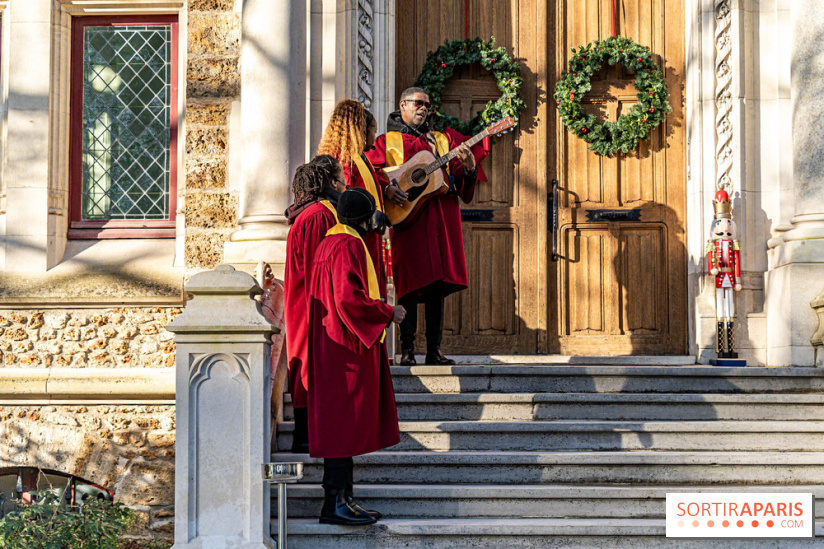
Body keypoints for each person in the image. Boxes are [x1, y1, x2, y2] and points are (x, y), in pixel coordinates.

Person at [366, 87, 488, 365]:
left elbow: (459, 178)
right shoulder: (388, 140)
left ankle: (434, 350)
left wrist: (468, 167)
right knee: (408, 284)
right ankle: (407, 350)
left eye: (428, 105)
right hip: (410, 221)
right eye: (419, 103)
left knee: (437, 286)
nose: (424, 109)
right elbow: (369, 170)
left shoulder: (442, 141)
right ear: (403, 105)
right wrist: (386, 188)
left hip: (442, 219)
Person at [307, 187, 405, 526]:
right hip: (344, 346)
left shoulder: (328, 241)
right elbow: (350, 298)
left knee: (339, 423)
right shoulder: (348, 244)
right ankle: (335, 503)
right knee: (341, 424)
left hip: (329, 342)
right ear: (364, 220)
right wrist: (387, 312)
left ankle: (343, 499)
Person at [283, 155, 346, 453]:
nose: (344, 185)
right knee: (310, 367)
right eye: (341, 178)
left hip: (305, 300)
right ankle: (306, 436)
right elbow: (319, 264)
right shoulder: (319, 215)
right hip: (314, 303)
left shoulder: (308, 214)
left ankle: (306, 434)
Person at [317, 99, 390, 297]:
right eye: (372, 131)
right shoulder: (344, 160)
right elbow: (346, 195)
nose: (375, 138)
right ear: (360, 130)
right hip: (358, 237)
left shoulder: (360, 158)